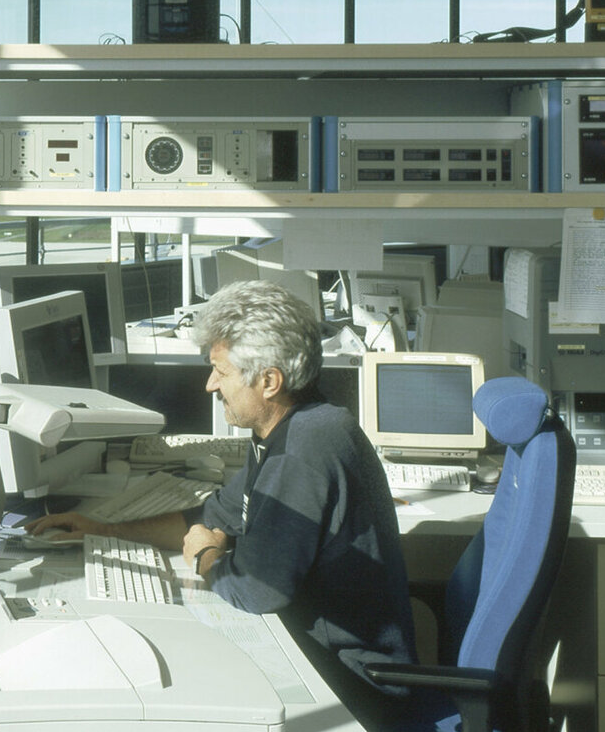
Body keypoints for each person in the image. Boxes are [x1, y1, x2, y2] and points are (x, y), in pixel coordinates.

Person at [26, 279, 417, 702]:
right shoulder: (292, 427)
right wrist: (102, 528)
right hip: (324, 660)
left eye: (222, 372)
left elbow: (254, 589)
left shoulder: (302, 452)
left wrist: (205, 557)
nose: (210, 385)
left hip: (355, 688)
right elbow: (212, 518)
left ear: (269, 381)